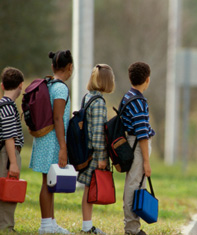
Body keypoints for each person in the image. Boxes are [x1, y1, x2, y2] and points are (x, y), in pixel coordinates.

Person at [29, 50, 73, 234]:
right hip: (53, 140)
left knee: (50, 181)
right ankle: (45, 225)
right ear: (70, 68)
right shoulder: (61, 88)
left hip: (44, 138)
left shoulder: (49, 84)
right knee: (48, 182)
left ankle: (51, 222)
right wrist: (63, 147)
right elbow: (58, 118)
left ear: (52, 67)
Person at [77, 64, 115, 234]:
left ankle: (87, 224)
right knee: (89, 189)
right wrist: (102, 157)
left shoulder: (88, 97)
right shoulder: (99, 102)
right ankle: (87, 226)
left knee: (87, 188)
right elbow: (99, 132)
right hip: (94, 153)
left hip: (87, 150)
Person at [121, 62, 155, 235]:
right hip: (137, 147)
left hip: (131, 144)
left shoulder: (128, 96)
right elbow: (142, 134)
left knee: (134, 185)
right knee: (134, 187)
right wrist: (146, 162)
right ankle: (132, 229)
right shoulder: (139, 102)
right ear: (147, 79)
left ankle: (134, 226)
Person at [0, 67, 24, 232]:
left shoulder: (3, 104)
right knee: (8, 191)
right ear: (21, 85)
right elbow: (9, 137)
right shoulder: (8, 107)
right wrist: (13, 163)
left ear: (2, 85)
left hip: (6, 153)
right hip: (7, 154)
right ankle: (6, 226)